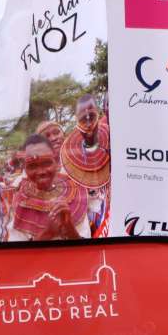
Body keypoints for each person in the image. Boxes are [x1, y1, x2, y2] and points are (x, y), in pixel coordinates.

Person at [8, 134, 89, 241]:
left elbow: (86, 251)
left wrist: (68, 227)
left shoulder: (75, 196)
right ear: (25, 169)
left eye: (46, 163)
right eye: (32, 166)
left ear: (56, 162)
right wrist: (48, 232)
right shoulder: (20, 202)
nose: (41, 172)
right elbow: (18, 255)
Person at [60, 94, 111, 238]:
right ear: (77, 120)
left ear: (99, 113)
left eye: (92, 116)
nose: (88, 123)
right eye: (83, 119)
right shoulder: (69, 158)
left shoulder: (113, 141)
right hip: (86, 225)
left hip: (112, 217)